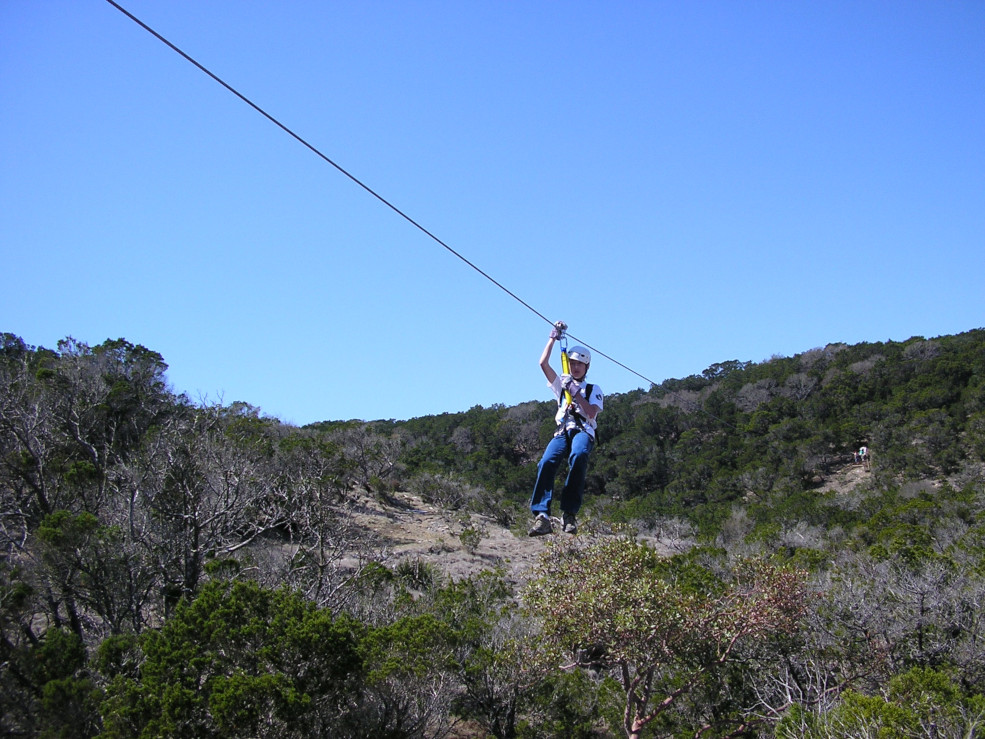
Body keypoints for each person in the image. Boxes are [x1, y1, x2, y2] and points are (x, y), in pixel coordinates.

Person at [528, 321, 604, 536]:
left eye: (580, 364)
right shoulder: (561, 384)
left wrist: (575, 392)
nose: (575, 367)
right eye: (572, 363)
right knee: (546, 462)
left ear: (586, 367)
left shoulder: (592, 389)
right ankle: (541, 515)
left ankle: (569, 513)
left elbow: (591, 412)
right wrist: (552, 338)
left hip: (582, 431)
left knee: (579, 455)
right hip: (563, 430)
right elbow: (543, 363)